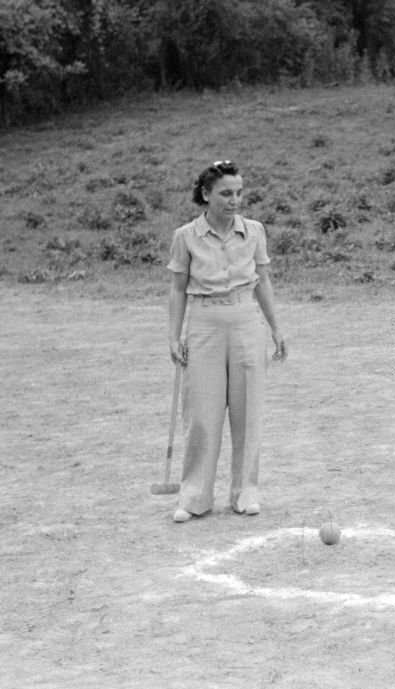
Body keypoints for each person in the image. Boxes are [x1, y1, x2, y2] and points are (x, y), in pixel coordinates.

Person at [167, 160, 287, 523]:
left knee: (248, 411)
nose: (234, 200)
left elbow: (263, 281)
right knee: (202, 415)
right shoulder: (185, 236)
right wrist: (174, 335)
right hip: (204, 323)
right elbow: (177, 288)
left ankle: (245, 492)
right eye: (225, 193)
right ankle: (195, 496)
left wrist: (276, 328)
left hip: (245, 321)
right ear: (206, 194)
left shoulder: (254, 232)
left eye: (238, 193)